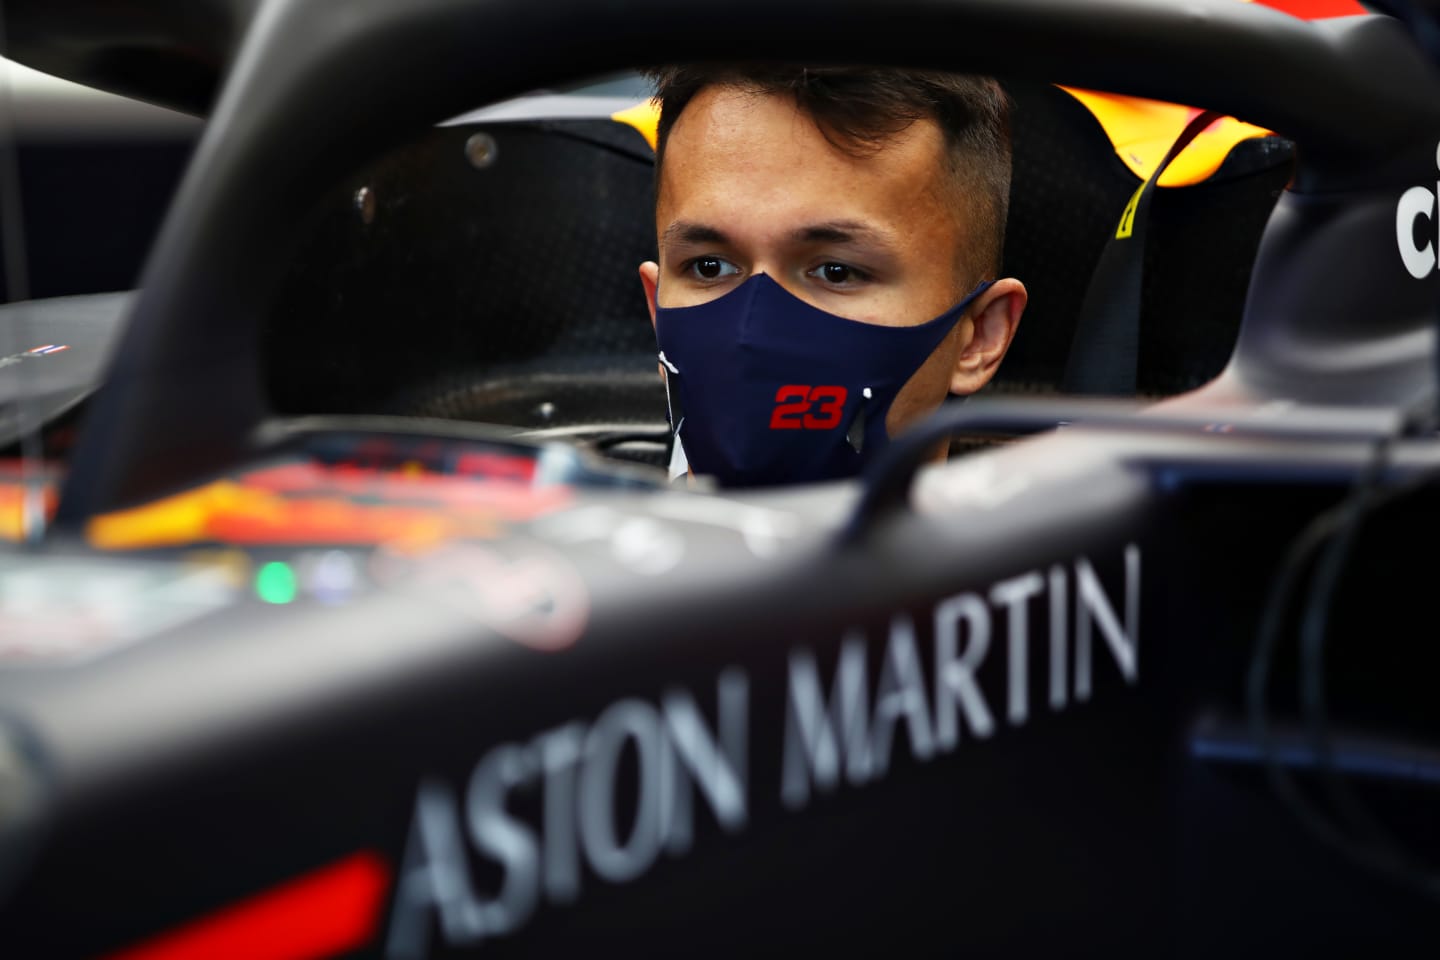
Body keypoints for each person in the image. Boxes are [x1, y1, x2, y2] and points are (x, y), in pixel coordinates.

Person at [636, 64, 1027, 487]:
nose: (752, 329)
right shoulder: (566, 542)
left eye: (836, 272)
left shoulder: (1080, 547)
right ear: (657, 310)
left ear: (980, 337)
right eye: (709, 267)